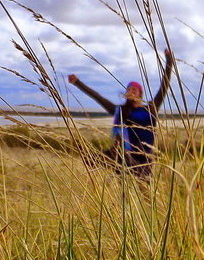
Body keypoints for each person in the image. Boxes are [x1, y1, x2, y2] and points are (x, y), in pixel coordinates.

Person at [67, 49, 174, 180]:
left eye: (134, 89)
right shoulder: (121, 110)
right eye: (128, 89)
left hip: (145, 157)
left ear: (140, 93)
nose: (131, 91)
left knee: (145, 192)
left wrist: (169, 61)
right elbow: (99, 98)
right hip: (125, 155)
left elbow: (164, 85)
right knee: (123, 193)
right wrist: (78, 83)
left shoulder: (151, 107)